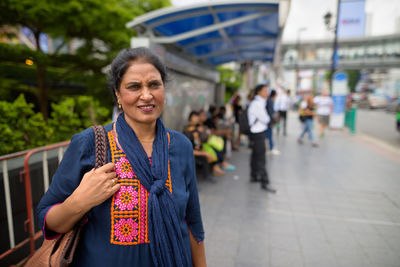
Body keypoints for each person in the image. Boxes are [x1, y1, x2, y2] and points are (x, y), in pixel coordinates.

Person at [36, 47, 206, 267]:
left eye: (154, 84)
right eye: (134, 87)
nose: (147, 95)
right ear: (118, 93)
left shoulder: (181, 145)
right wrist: (80, 202)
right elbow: (48, 218)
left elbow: (193, 222)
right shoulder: (90, 143)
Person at [248, 84, 277, 193]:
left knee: (255, 156)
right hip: (258, 132)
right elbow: (266, 119)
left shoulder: (259, 103)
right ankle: (265, 182)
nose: (267, 93)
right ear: (259, 92)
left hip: (257, 132)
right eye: (265, 91)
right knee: (261, 158)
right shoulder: (258, 104)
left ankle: (254, 175)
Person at [184, 111, 224, 179]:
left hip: (197, 150)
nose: (196, 119)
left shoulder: (196, 129)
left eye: (197, 117)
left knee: (208, 154)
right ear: (190, 118)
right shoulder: (188, 130)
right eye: (194, 117)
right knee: (205, 155)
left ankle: (207, 175)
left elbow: (199, 143)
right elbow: (190, 147)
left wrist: (203, 151)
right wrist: (204, 152)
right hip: (190, 151)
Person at [266, 89, 280, 155]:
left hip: (268, 121)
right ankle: (270, 148)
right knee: (269, 135)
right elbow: (270, 113)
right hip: (269, 122)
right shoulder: (270, 101)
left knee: (268, 135)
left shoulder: (269, 100)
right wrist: (272, 122)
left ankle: (270, 148)